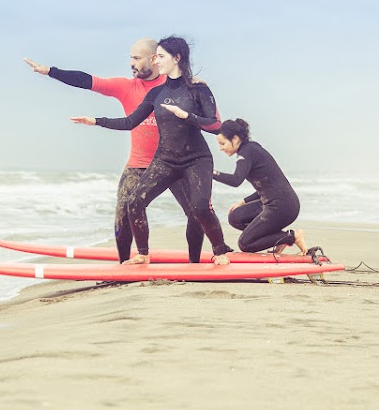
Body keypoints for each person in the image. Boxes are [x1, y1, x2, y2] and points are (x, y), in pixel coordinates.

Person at [23, 38, 207, 263]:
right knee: (123, 214)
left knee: (197, 214)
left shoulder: (176, 86)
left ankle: (198, 262)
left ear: (153, 59)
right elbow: (89, 81)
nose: (131, 63)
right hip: (139, 163)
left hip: (176, 162)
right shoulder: (126, 87)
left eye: (136, 58)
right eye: (130, 57)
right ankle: (125, 264)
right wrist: (51, 71)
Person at [71, 35, 231, 265]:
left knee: (198, 208)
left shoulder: (198, 89)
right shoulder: (156, 94)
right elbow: (130, 122)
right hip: (166, 160)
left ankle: (214, 254)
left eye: (161, 56)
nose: (156, 61)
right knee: (134, 202)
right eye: (155, 56)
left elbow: (215, 126)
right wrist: (95, 121)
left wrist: (188, 116)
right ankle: (143, 255)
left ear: (176, 58)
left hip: (196, 159)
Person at [213, 118, 308, 255]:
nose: (220, 148)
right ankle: (279, 239)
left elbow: (236, 180)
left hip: (283, 207)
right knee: (235, 217)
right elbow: (265, 187)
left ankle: (292, 237)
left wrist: (212, 173)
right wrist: (243, 202)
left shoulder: (248, 152)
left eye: (222, 143)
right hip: (277, 203)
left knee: (245, 244)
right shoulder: (250, 149)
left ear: (235, 139)